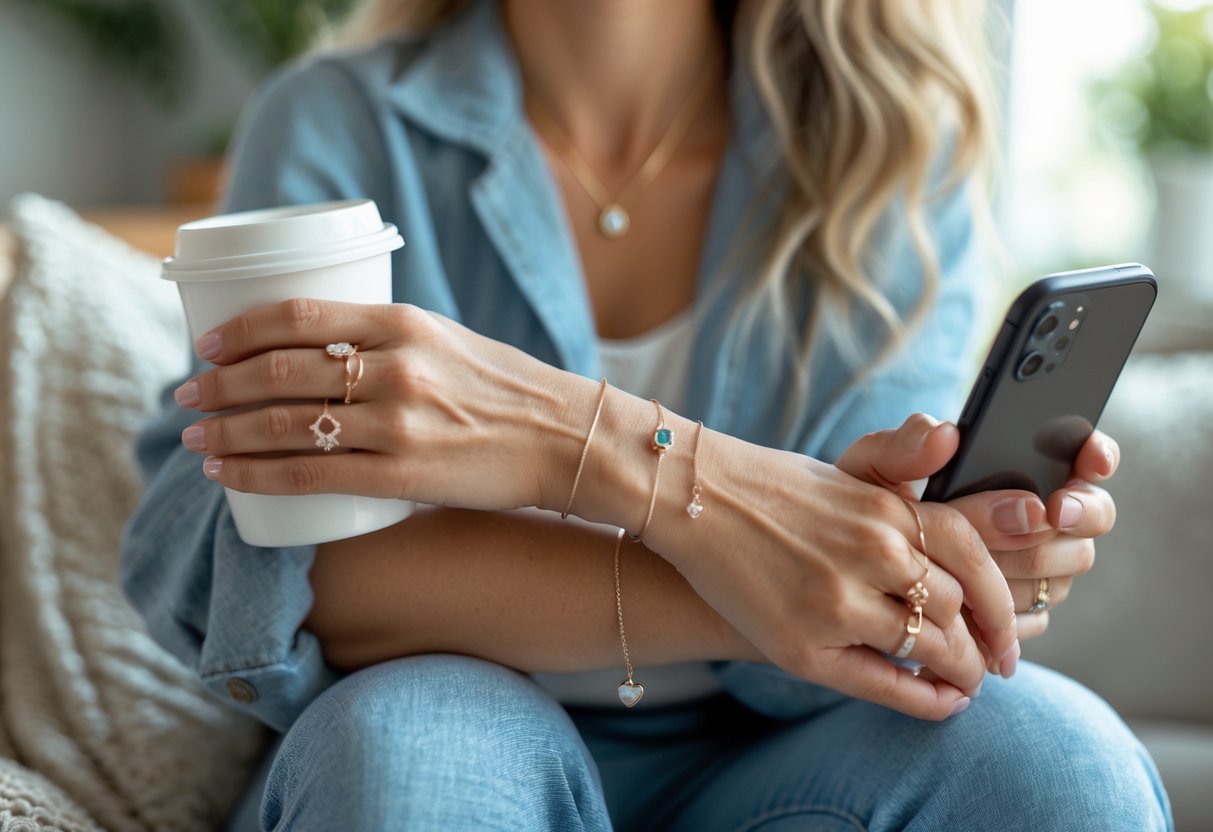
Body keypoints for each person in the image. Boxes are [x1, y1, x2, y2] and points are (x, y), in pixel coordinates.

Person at [123, 0, 1172, 829]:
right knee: (411, 745)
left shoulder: (889, 141)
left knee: (1060, 761)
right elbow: (273, 556)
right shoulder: (336, 122)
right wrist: (779, 554)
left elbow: (878, 569)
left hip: (790, 751)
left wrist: (922, 562)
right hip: (445, 705)